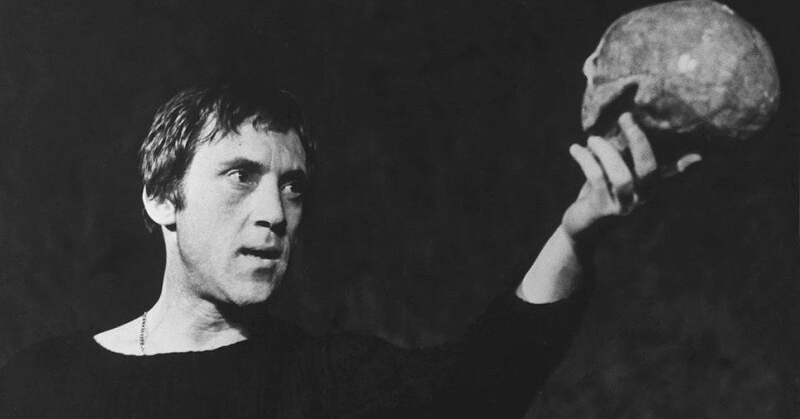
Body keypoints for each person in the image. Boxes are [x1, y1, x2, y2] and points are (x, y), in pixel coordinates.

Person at [0, 82, 672, 418]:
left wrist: (575, 235)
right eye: (241, 176)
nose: (274, 213)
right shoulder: (41, 385)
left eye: (292, 187)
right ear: (161, 198)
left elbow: (483, 385)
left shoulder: (324, 383)